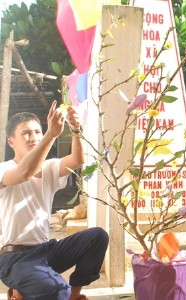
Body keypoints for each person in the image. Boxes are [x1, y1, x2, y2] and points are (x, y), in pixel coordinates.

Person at [0, 101, 109, 300]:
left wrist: (76, 129)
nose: (33, 137)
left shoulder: (50, 167)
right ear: (11, 142)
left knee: (98, 236)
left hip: (47, 251)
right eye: (26, 133)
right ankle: (24, 289)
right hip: (16, 259)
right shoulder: (4, 169)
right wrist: (51, 135)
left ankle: (74, 295)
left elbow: (77, 160)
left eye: (37, 131)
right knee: (56, 291)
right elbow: (25, 172)